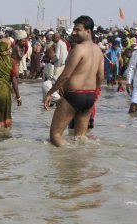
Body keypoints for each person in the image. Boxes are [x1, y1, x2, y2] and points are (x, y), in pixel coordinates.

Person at [43, 15, 104, 147]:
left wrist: (50, 93)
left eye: (78, 30)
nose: (74, 33)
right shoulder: (98, 50)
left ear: (88, 31)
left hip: (74, 96)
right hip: (89, 97)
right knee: (80, 137)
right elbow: (101, 77)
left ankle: (66, 157)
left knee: (55, 135)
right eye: (74, 30)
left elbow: (66, 75)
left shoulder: (78, 49)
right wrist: (93, 93)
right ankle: (78, 163)